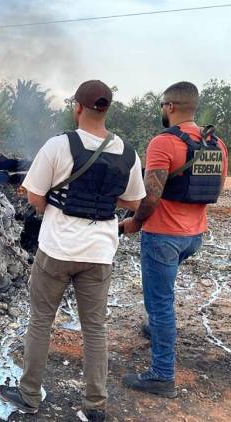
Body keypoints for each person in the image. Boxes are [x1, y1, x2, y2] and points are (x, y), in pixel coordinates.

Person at [0, 80, 146, 421]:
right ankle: (95, 407)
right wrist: (105, 199)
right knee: (95, 328)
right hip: (99, 254)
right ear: (107, 109)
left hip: (56, 250)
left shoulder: (58, 145)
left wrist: (50, 203)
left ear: (77, 107)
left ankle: (30, 394)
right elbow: (134, 201)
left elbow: (34, 196)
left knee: (41, 321)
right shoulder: (128, 153)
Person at [120, 81, 228, 397]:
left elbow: (151, 197)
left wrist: (136, 222)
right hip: (194, 236)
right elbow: (215, 190)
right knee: (162, 297)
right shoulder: (217, 144)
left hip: (163, 236)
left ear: (169, 107)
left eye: (161, 107)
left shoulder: (163, 143)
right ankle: (155, 329)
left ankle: (162, 376)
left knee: (161, 302)